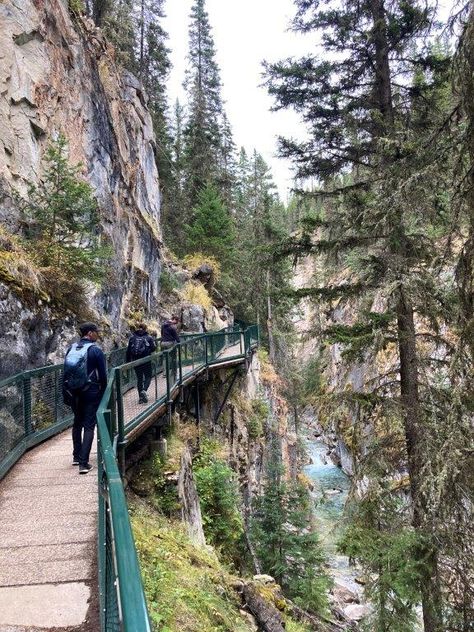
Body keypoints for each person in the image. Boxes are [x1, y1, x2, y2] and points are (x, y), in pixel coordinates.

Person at [63, 322, 107, 475]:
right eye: (96, 332)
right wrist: (103, 394)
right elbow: (103, 376)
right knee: (89, 425)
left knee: (77, 423)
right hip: (91, 391)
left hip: (74, 391)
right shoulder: (95, 350)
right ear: (89, 333)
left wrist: (66, 393)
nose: (98, 334)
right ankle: (84, 463)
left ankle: (76, 456)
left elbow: (65, 372)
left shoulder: (72, 348)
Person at [126, 322, 156, 404]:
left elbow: (128, 351)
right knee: (148, 376)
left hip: (136, 361)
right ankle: (144, 391)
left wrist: (128, 361)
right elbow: (153, 348)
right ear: (146, 329)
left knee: (139, 378)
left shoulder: (132, 338)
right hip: (146, 360)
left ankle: (140, 398)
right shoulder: (148, 337)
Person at [161, 315, 180, 381]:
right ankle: (174, 373)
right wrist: (179, 342)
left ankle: (165, 373)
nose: (177, 323)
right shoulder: (172, 327)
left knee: (165, 358)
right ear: (174, 319)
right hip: (170, 343)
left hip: (163, 343)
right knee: (173, 357)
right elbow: (176, 336)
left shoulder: (163, 325)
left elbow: (162, 334)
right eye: (177, 321)